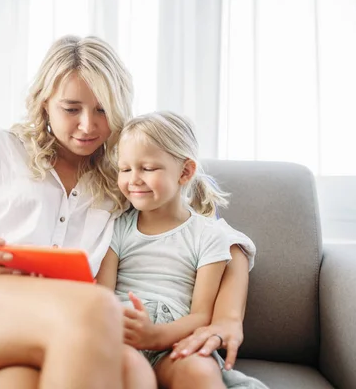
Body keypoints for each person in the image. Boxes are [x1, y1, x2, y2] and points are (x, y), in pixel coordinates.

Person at [0, 35, 254, 389]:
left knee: (126, 367)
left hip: (49, 334)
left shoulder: (124, 180)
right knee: (96, 309)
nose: (87, 125)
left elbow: (219, 237)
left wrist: (227, 318)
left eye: (102, 110)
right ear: (44, 102)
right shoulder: (0, 151)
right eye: (71, 109)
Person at [95, 111, 267, 389]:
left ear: (185, 172)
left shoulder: (209, 236)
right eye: (125, 169)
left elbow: (201, 315)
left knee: (199, 372)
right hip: (121, 336)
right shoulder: (116, 228)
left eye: (148, 168)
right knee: (124, 368)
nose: (133, 179)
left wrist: (156, 336)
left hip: (176, 341)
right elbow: (101, 296)